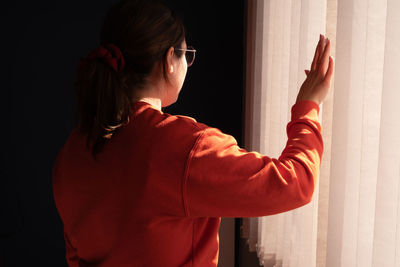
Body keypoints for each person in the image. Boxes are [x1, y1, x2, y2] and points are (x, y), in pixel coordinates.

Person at [52, 0, 334, 266]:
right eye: (186, 55)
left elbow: (76, 256)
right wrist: (308, 106)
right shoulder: (186, 147)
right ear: (169, 61)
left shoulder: (72, 152)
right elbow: (296, 182)